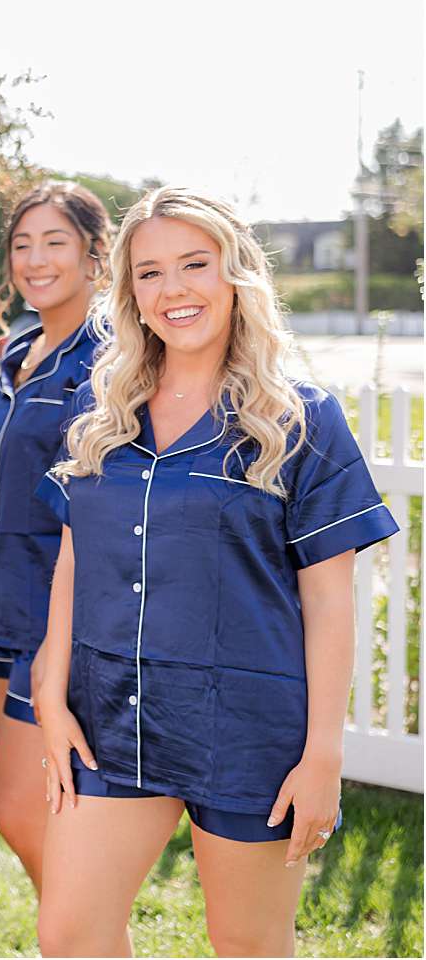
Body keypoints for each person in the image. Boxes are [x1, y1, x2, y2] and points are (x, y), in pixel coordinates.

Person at [33, 186, 400, 956]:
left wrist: (324, 755)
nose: (174, 289)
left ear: (237, 274)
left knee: (247, 944)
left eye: (195, 264)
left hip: (247, 726)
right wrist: (48, 689)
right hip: (112, 716)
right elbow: (73, 558)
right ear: (130, 291)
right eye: (150, 272)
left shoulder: (299, 417)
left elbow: (330, 597)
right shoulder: (101, 412)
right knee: (69, 934)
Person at [0, 182, 110, 890]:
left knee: (24, 814)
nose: (35, 258)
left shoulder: (108, 361)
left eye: (55, 241)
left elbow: (95, 512)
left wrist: (54, 644)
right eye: (22, 244)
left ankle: (88, 934)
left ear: (94, 254)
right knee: (46, 816)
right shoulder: (18, 351)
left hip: (57, 629)